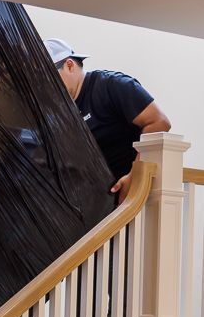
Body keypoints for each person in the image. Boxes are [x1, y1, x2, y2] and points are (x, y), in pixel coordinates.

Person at [45, 38, 171, 203]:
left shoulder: (111, 85)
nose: (47, 86)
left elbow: (160, 122)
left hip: (130, 198)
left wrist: (135, 175)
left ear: (69, 65)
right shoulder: (61, 112)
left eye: (49, 78)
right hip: (95, 204)